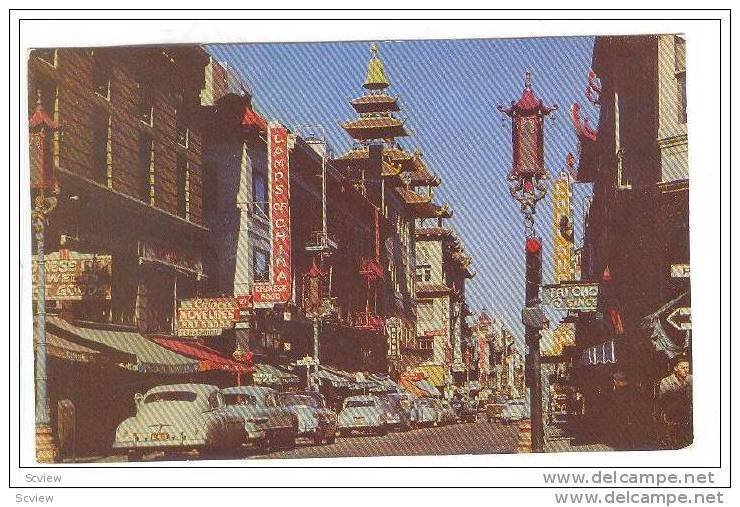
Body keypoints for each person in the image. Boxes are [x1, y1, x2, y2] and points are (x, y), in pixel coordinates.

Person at [658, 355, 693, 448]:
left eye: (687, 368)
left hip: (689, 411)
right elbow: (663, 402)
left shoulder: (692, 379)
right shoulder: (666, 382)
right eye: (683, 368)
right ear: (675, 368)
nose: (686, 370)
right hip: (673, 413)